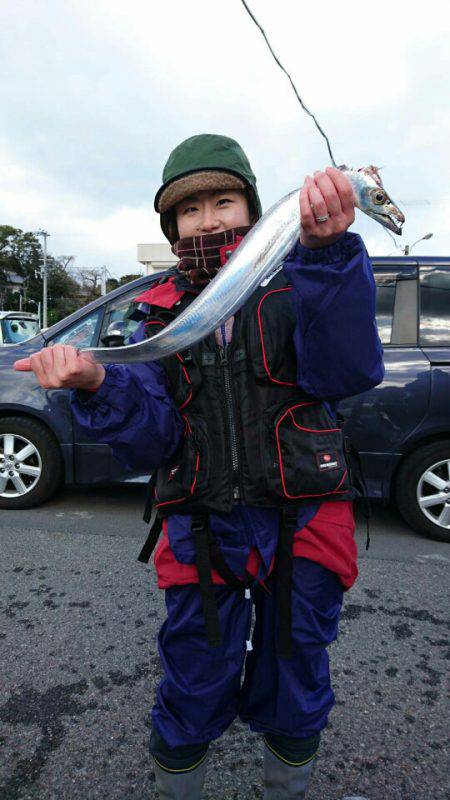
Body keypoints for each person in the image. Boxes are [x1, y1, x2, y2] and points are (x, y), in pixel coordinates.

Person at [14, 133, 384, 800]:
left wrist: (329, 256)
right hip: (202, 526)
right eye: (189, 210)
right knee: (193, 675)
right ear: (171, 227)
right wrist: (97, 383)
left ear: (254, 207)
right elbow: (153, 440)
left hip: (306, 520)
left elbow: (349, 370)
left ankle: (287, 790)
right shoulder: (152, 318)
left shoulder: (303, 282)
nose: (209, 220)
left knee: (298, 669)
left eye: (224, 200)